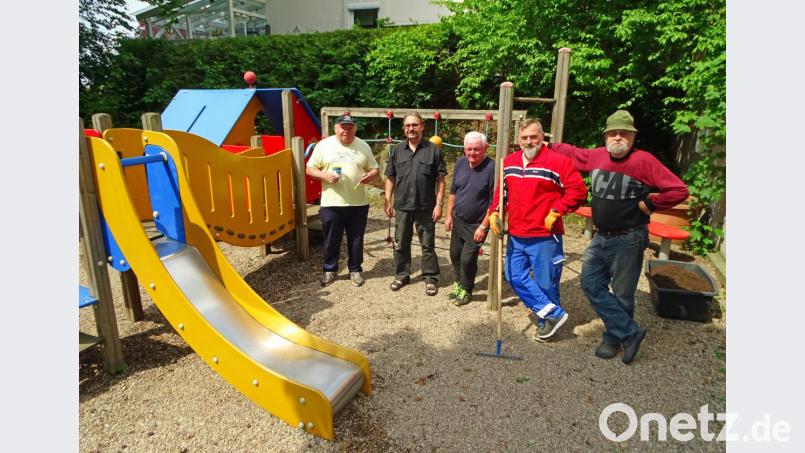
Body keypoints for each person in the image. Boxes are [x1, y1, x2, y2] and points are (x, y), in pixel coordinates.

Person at [551, 110, 689, 364]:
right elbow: (572, 153)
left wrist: (651, 203)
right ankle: (629, 331)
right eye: (612, 133)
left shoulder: (644, 161)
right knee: (590, 284)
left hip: (629, 238)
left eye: (623, 133)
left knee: (623, 293)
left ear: (632, 137)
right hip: (600, 236)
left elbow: (679, 190)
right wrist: (545, 144)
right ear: (605, 136)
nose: (617, 137)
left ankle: (613, 338)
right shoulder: (597, 156)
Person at [488, 118, 587, 340]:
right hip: (516, 233)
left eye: (533, 137)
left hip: (544, 235)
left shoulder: (558, 162)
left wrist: (557, 210)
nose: (529, 141)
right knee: (513, 276)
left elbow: (578, 192)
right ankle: (554, 313)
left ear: (542, 137)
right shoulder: (509, 162)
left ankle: (547, 323)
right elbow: (501, 192)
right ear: (518, 140)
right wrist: (494, 212)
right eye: (524, 138)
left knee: (546, 281)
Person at [306, 114, 379, 287]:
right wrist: (324, 175)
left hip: (358, 202)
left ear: (355, 128)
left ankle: (355, 270)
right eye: (343, 127)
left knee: (356, 239)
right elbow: (309, 168)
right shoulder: (324, 145)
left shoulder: (363, 145)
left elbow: (375, 168)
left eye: (350, 127)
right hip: (332, 203)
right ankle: (330, 270)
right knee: (331, 239)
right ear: (336, 128)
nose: (346, 130)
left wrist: (370, 176)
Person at [384, 112, 447, 296]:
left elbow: (441, 180)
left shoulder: (433, 150)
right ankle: (402, 275)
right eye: (407, 126)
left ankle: (430, 277)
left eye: (414, 125)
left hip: (425, 206)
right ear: (404, 129)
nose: (411, 129)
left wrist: (439, 204)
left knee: (427, 244)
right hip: (402, 205)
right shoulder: (396, 150)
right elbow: (390, 177)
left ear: (422, 126)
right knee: (401, 242)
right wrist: (387, 200)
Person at [444, 131, 495, 306]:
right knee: (455, 254)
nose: (472, 153)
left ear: (485, 148)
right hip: (458, 219)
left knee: (468, 258)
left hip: (477, 223)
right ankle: (458, 283)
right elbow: (453, 192)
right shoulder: (460, 163)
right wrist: (449, 215)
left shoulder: (492, 168)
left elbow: (493, 202)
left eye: (476, 149)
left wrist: (483, 226)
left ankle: (467, 289)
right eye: (468, 149)